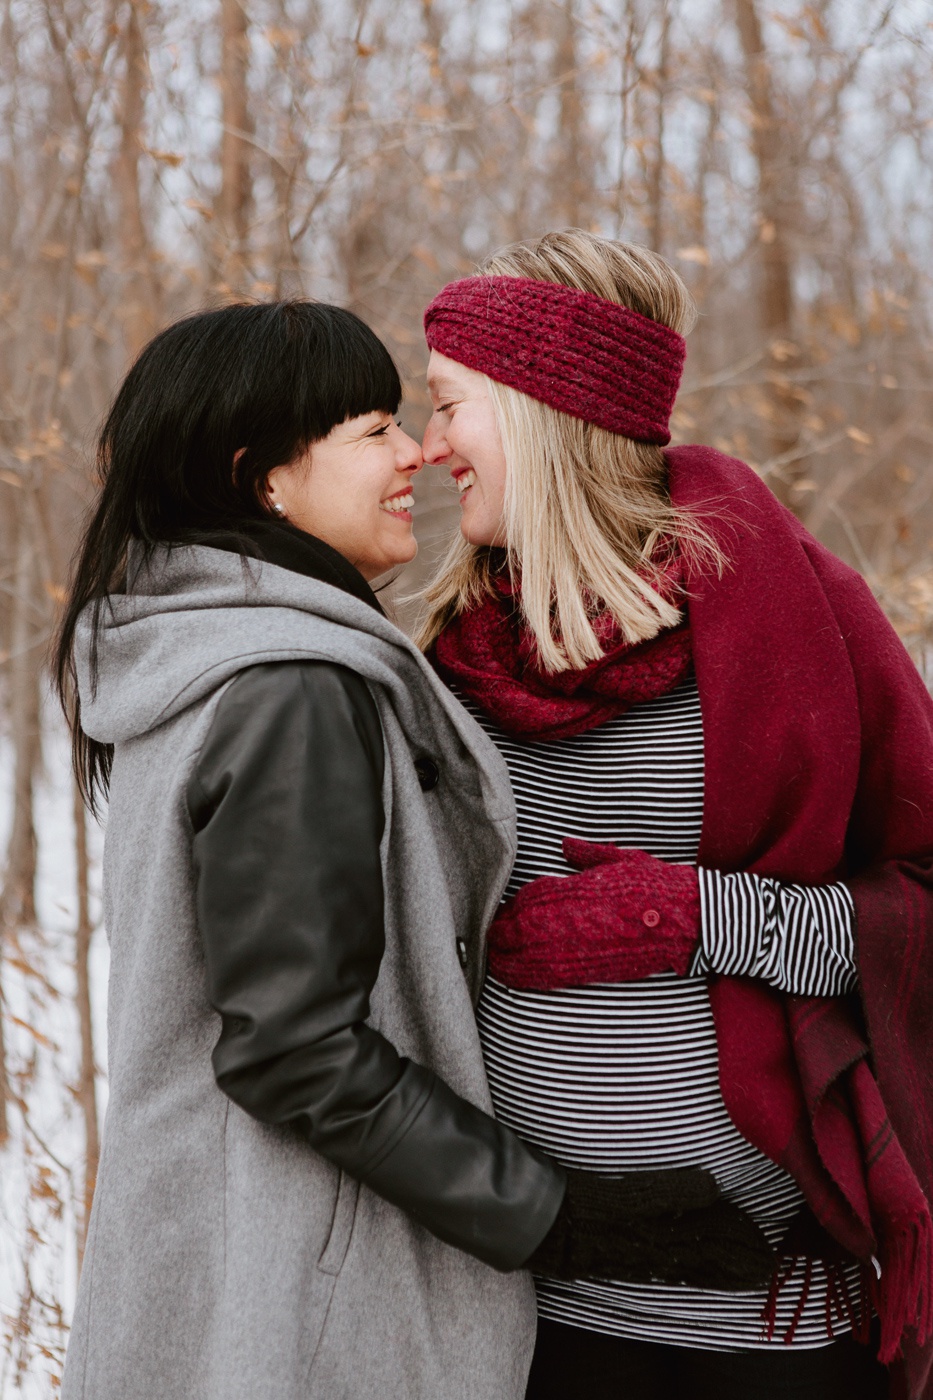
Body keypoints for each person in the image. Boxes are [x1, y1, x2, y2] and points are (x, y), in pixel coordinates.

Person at [54, 300, 769, 1400]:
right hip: (306, 1296)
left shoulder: (192, 648)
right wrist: (560, 1218)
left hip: (225, 1255)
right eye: (372, 429)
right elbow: (295, 1045)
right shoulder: (289, 682)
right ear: (266, 480)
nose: (415, 453)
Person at [419, 229, 933, 1400]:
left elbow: (919, 905)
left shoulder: (793, 620)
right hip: (531, 1310)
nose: (432, 441)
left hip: (768, 1329)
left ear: (541, 408)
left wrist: (690, 914)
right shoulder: (450, 649)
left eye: (451, 404)